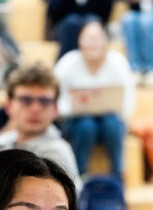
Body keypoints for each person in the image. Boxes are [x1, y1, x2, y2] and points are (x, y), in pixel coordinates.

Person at [0, 63, 83, 193]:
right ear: (9, 106)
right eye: (26, 100)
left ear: (55, 110)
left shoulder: (58, 154)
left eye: (44, 101)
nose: (35, 109)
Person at [54, 19, 135, 177]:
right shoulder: (67, 63)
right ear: (79, 41)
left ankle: (117, 174)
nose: (93, 43)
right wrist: (72, 106)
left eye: (97, 37)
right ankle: (79, 175)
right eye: (88, 38)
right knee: (86, 125)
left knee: (112, 123)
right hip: (76, 122)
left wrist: (125, 117)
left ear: (106, 40)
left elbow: (128, 99)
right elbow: (54, 98)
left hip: (110, 121)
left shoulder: (118, 62)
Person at [42, 0, 114, 60]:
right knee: (72, 22)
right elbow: (52, 11)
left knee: (92, 23)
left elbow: (106, 11)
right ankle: (64, 65)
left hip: (92, 22)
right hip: (65, 26)